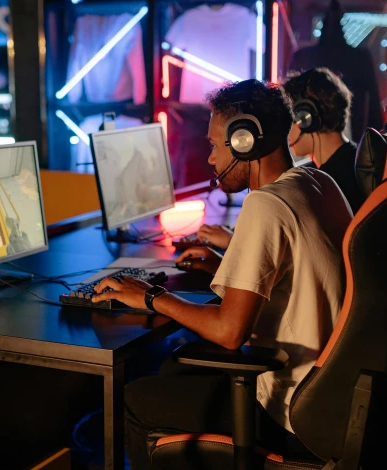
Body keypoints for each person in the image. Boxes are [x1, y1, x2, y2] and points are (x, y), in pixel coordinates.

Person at [90, 79, 353, 469]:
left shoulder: (266, 205)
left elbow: (230, 332)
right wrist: (219, 265)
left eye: (215, 145)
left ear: (245, 141)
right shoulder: (317, 181)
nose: (211, 159)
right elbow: (292, 272)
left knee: (133, 399)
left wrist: (149, 295)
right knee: (170, 367)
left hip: (287, 410)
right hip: (331, 396)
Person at [289, 0, 383, 142]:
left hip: (340, 125)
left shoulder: (305, 56)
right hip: (322, 125)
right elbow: (373, 103)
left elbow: (373, 103)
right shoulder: (359, 58)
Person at [284, 68, 364, 214]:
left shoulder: (327, 185)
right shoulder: (359, 161)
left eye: (289, 119)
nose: (285, 130)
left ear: (306, 118)